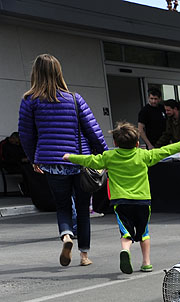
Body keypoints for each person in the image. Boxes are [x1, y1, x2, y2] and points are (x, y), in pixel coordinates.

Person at [63, 121, 180, 274]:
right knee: (144, 233)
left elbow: (89, 160)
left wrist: (71, 157)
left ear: (115, 142)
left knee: (126, 233)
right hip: (142, 200)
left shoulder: (109, 156)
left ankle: (126, 250)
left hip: (121, 202)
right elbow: (164, 151)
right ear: (137, 143)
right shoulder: (144, 155)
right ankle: (146, 262)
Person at [18, 53, 107, 267]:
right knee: (84, 209)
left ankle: (67, 236)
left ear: (35, 74)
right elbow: (93, 131)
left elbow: (26, 134)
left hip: (51, 161)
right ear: (59, 72)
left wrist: (34, 159)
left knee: (62, 206)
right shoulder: (75, 99)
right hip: (80, 161)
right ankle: (84, 256)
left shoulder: (29, 101)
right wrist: (103, 156)